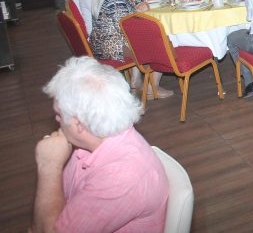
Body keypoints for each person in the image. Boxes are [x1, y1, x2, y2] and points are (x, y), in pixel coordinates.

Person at [31, 57, 168, 232]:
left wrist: (49, 166)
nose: (56, 120)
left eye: (59, 114)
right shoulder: (95, 138)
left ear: (79, 125)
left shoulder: (121, 177)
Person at [90, 0, 172, 98]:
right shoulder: (113, 0)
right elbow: (126, 26)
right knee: (161, 43)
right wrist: (138, 11)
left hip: (102, 42)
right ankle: (152, 88)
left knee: (145, 39)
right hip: (113, 47)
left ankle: (135, 80)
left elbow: (124, 6)